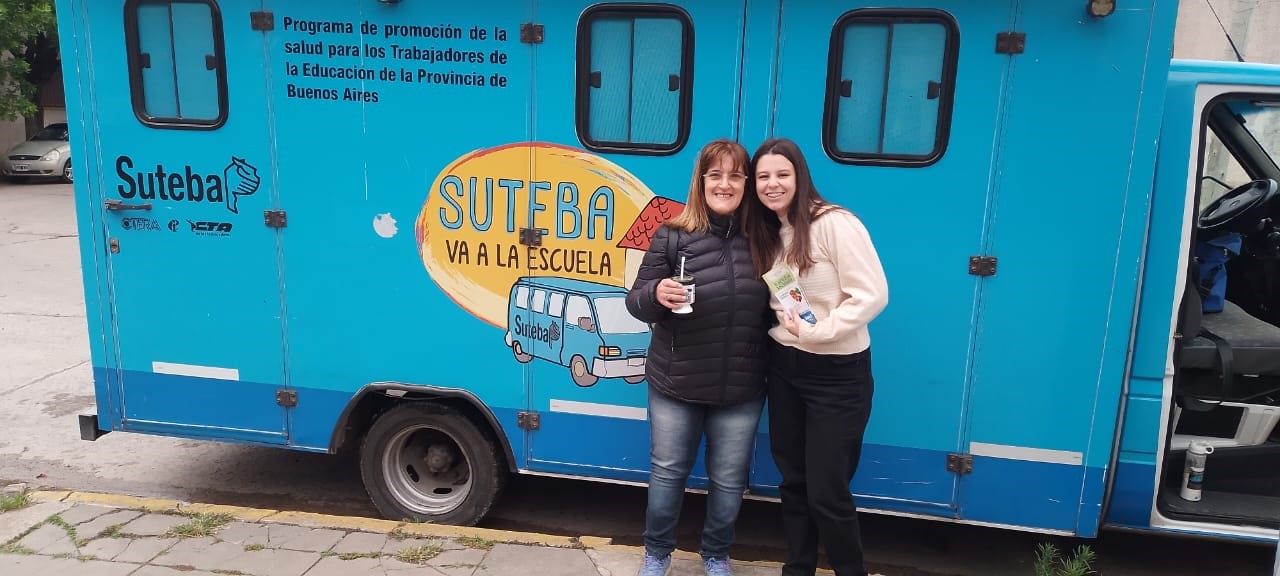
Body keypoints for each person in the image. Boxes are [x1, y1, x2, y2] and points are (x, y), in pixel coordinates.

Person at [625, 138, 772, 576]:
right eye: (716, 175)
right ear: (701, 181)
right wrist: (656, 293)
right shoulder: (671, 235)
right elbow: (635, 302)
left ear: (746, 183)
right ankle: (657, 554)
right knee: (668, 473)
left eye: (735, 175)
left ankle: (716, 554)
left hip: (741, 388)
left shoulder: (765, 241)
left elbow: (782, 303)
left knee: (729, 481)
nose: (725, 184)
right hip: (676, 382)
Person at [744, 137, 889, 576]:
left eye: (782, 174)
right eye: (763, 177)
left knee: (828, 491)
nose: (772, 184)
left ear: (800, 176)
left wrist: (817, 333)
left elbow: (872, 294)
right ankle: (798, 568)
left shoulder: (834, 223)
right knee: (794, 482)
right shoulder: (770, 230)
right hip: (785, 369)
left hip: (837, 375)